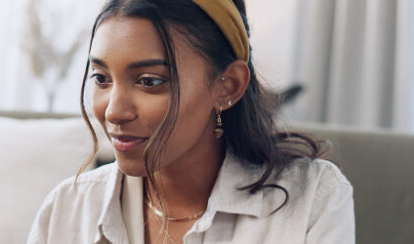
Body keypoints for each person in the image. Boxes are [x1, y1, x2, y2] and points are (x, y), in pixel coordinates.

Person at [28, 0, 354, 243]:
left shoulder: (311, 198)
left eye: (149, 81)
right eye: (101, 78)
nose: (113, 112)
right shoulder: (68, 209)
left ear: (228, 86)